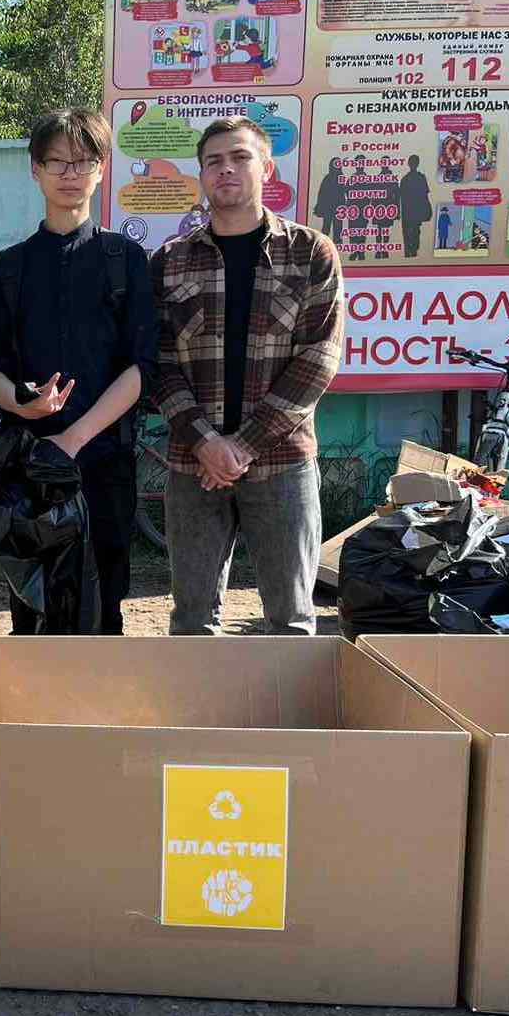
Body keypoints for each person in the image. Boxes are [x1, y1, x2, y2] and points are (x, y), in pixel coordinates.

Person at [150, 117, 344, 636]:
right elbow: (159, 364)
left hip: (282, 464)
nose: (226, 169)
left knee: (292, 619)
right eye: (214, 161)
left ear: (267, 168)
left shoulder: (311, 254)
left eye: (240, 157)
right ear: (201, 175)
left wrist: (242, 448)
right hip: (192, 467)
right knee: (191, 620)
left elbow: (318, 360)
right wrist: (207, 444)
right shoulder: (170, 261)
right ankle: (202, 718)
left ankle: (288, 719)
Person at [0, 108, 158, 635]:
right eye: (56, 161)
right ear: (35, 169)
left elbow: (141, 367)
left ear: (102, 169)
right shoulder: (7, 268)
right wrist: (20, 403)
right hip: (28, 467)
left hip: (103, 462)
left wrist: (74, 439)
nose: (69, 173)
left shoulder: (125, 259)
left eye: (82, 161)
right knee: (31, 610)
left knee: (106, 605)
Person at [398, 155, 433, 258]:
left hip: (409, 211)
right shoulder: (419, 178)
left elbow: (424, 195)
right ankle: (412, 251)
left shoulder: (405, 179)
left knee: (410, 233)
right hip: (414, 211)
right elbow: (425, 195)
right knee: (415, 232)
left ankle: (411, 251)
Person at [313, 158, 346, 245]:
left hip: (339, 207)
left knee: (337, 226)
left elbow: (346, 191)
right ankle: (324, 244)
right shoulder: (328, 178)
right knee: (327, 226)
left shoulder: (340, 178)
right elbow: (322, 193)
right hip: (330, 207)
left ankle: (336, 242)